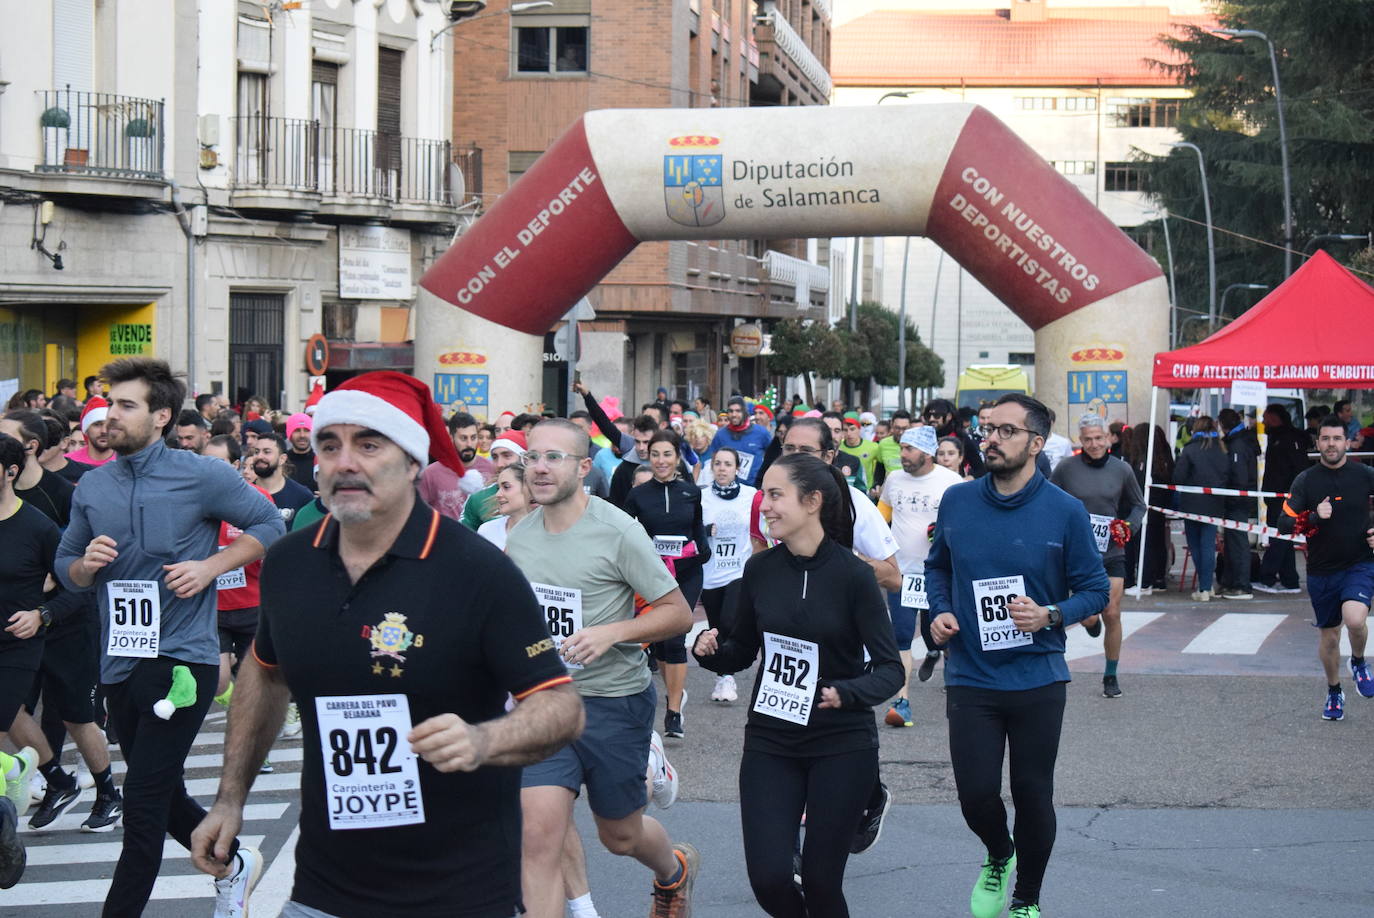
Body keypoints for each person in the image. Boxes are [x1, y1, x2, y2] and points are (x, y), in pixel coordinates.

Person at [191, 371, 583, 918]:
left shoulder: (477, 571)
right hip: (323, 889)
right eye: (331, 445)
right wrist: (230, 798)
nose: (345, 461)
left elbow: (560, 706)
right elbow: (265, 671)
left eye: (369, 444)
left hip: (459, 892)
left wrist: (482, 740)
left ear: (413, 463)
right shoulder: (289, 563)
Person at [54, 357, 286, 917]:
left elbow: (270, 526)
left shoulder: (201, 474)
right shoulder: (93, 485)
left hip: (183, 659)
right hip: (119, 663)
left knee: (142, 803)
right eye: (111, 404)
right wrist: (86, 565)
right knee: (161, 790)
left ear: (161, 416)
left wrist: (211, 566)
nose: (112, 415)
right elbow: (66, 563)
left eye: (127, 405)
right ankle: (234, 865)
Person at [693, 453, 903, 917]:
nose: (762, 505)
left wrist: (847, 693)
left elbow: (891, 669)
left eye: (774, 495)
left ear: (812, 501)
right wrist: (710, 652)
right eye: (763, 494)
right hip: (772, 738)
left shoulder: (853, 575)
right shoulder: (761, 570)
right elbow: (743, 649)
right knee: (769, 879)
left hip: (841, 742)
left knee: (822, 882)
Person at [505, 419, 698, 918]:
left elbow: (676, 612)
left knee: (620, 835)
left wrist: (612, 632)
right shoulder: (520, 537)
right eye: (533, 457)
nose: (540, 468)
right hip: (546, 703)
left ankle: (674, 869)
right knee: (538, 838)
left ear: (584, 467)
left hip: (615, 701)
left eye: (554, 458)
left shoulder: (618, 530)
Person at [927, 393, 1110, 918]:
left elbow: (1096, 591)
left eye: (1007, 431)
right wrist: (939, 611)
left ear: (1035, 443)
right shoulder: (958, 501)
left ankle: (1026, 899)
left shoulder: (1065, 511)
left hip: (1037, 676)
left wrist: (1049, 614)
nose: (992, 439)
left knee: (1032, 795)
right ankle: (999, 853)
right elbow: (938, 567)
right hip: (971, 674)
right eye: (989, 429)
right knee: (975, 796)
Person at [0, 412, 122, 831]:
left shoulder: (60, 496)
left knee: (76, 715)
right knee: (10, 709)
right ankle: (56, 779)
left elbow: (84, 573)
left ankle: (107, 791)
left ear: (23, 452)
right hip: (17, 631)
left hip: (66, 622)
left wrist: (59, 577)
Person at [1276, 415, 1374, 721]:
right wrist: (1315, 516)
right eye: (1326, 439)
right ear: (1318, 443)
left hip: (1359, 562)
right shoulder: (1306, 480)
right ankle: (1334, 691)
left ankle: (1358, 661)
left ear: (1347, 442)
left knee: (1355, 619)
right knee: (1330, 636)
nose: (1331, 444)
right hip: (1321, 569)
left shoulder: (1364, 474)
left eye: (1337, 439)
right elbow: (1282, 523)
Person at [1050, 414, 1146, 698]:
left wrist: (1128, 527)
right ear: (1080, 441)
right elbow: (1049, 501)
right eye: (1088, 439)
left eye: (1099, 438)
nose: (1094, 444)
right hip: (1076, 550)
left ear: (1108, 438)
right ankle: (1089, 621)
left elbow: (1139, 506)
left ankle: (1111, 675)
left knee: (1112, 612)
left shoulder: (1122, 469)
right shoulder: (1066, 469)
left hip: (1111, 551)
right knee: (1088, 613)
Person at [623, 430, 710, 739]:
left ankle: (674, 711)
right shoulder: (638, 495)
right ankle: (675, 693)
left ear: (677, 457)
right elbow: (626, 534)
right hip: (653, 574)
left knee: (674, 637)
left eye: (667, 454)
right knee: (660, 639)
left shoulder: (691, 491)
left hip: (687, 571)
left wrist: (703, 547)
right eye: (655, 454)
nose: (661, 460)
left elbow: (697, 525)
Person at [877, 426, 962, 724]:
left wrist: (944, 532)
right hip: (902, 573)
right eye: (901, 449)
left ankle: (958, 691)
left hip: (937, 573)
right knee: (901, 636)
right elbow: (881, 517)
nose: (902, 455)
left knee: (938, 635)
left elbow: (963, 525)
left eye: (908, 450)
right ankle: (902, 702)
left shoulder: (951, 482)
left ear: (926, 453)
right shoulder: (894, 479)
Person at [700, 447, 756, 703]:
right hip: (712, 571)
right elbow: (690, 529)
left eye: (728, 464)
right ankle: (723, 675)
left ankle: (728, 675)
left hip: (739, 570)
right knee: (715, 625)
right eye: (718, 464)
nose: (722, 468)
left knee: (728, 620)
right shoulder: (701, 498)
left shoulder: (750, 495)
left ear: (737, 469)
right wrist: (703, 530)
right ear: (712, 467)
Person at [1174, 416, 1229, 601]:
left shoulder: (1190, 449)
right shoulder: (1221, 449)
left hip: (1191, 504)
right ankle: (1207, 586)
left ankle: (1204, 587)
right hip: (1214, 503)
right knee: (1208, 546)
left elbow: (1178, 477)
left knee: (1196, 546)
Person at [1256, 404, 1310, 594]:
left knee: (1279, 536)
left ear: (1274, 417)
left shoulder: (1290, 439)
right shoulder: (1277, 438)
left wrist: (1295, 494)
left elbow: (1298, 468)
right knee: (1283, 537)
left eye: (1265, 417)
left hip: (1284, 496)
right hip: (1275, 495)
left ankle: (1268, 577)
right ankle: (1290, 580)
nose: (1262, 422)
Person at [1215, 408, 1259, 600]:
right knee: (1233, 543)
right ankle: (1231, 582)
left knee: (1238, 543)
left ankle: (1241, 584)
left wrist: (1230, 496)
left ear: (1223, 425)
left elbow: (1239, 476)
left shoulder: (1237, 445)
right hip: (1237, 499)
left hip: (1237, 500)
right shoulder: (1241, 441)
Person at [1126, 423, 1174, 593]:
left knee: (1145, 544)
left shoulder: (1142, 460)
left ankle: (1145, 582)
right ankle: (1159, 578)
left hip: (1145, 507)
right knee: (1158, 542)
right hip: (1160, 506)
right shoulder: (1164, 458)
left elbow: (1136, 486)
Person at [419, 410, 491, 520]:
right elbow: (419, 513)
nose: (469, 444)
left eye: (473, 437)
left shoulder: (490, 468)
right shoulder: (431, 474)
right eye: (463, 438)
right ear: (451, 438)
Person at [461, 430, 528, 530]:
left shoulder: (541, 495)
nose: (499, 464)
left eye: (507, 455)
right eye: (495, 457)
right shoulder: (479, 497)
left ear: (525, 458)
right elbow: (464, 536)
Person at [248, 433, 316, 526]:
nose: (259, 456)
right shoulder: (244, 493)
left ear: (282, 459)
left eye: (267, 452)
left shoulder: (302, 496)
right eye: (256, 452)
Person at [707, 396, 772, 488]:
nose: (734, 414)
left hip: (753, 488)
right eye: (731, 411)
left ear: (744, 412)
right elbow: (714, 461)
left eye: (738, 411)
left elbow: (772, 457)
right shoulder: (720, 435)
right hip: (727, 488)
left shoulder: (761, 433)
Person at [477, 462, 535, 551]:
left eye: (506, 487)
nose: (498, 494)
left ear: (529, 488)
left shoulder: (550, 529)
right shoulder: (487, 530)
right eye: (498, 488)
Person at [923, 399, 985, 478]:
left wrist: (968, 479)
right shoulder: (924, 437)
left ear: (949, 416)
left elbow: (980, 469)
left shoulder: (961, 437)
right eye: (928, 416)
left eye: (936, 416)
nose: (931, 419)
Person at [67, 397, 115, 467]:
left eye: (110, 425)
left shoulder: (127, 462)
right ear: (85, 430)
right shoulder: (67, 462)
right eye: (97, 424)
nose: (104, 431)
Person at [838, 414, 879, 488]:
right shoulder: (838, 447)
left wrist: (876, 485)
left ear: (859, 429)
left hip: (865, 491)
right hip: (844, 490)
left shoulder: (873, 447)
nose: (849, 433)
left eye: (852, 429)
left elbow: (881, 467)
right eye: (845, 430)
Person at [283, 412, 319, 491]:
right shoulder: (282, 461)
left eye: (306, 430)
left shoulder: (320, 460)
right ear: (290, 434)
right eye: (297, 430)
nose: (302, 435)